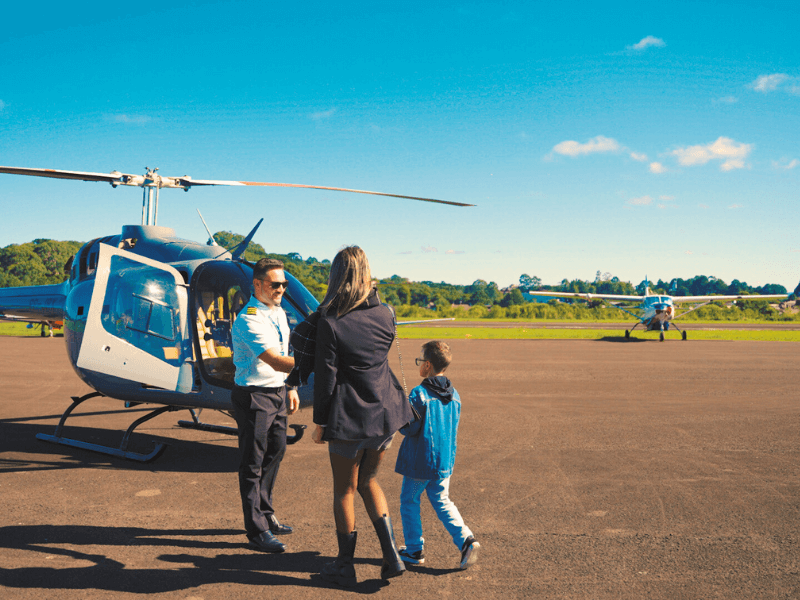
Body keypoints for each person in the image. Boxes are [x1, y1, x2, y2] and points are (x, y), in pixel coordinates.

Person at [312, 246, 414, 586]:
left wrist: (320, 422)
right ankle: (392, 556)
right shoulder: (387, 314)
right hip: (384, 414)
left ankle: (345, 564)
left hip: (349, 417)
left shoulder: (330, 322)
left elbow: (326, 380)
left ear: (336, 276)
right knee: (369, 480)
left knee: (344, 489)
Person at [231, 258, 299, 553]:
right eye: (275, 284)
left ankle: (266, 512)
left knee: (276, 451)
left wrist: (291, 386)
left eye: (284, 284)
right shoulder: (249, 318)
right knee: (252, 462)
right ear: (257, 284)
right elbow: (274, 359)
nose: (281, 289)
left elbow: (286, 351)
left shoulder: (278, 312)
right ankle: (256, 530)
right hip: (254, 395)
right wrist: (317, 365)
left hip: (276, 391)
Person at [394, 340, 480, 570]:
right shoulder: (456, 395)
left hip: (420, 461)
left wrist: (402, 409)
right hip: (444, 461)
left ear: (428, 365)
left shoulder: (419, 394)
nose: (419, 364)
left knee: (409, 500)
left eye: (420, 361)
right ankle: (466, 540)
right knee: (442, 500)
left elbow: (408, 428)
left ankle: (414, 549)